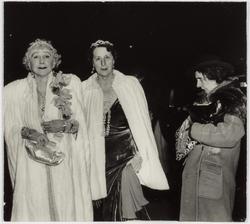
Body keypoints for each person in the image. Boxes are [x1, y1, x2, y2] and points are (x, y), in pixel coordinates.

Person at [4, 39, 93, 221]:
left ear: (55, 61)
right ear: (28, 63)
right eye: (36, 57)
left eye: (47, 56)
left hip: (64, 160)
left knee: (65, 204)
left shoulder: (70, 83)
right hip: (31, 164)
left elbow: (81, 124)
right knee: (34, 206)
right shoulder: (14, 90)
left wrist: (64, 125)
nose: (42, 61)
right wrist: (29, 133)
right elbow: (10, 126)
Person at [81, 40, 169, 221]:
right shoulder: (83, 89)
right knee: (100, 210)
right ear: (92, 62)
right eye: (98, 59)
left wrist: (139, 155)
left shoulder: (130, 84)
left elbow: (142, 124)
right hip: (97, 160)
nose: (103, 63)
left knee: (127, 211)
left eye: (107, 57)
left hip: (125, 158)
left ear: (114, 60)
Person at [176, 60, 246, 221]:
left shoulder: (232, 100)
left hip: (213, 175)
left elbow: (230, 134)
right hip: (198, 174)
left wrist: (194, 129)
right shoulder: (207, 99)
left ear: (214, 75)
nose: (197, 85)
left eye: (201, 79)